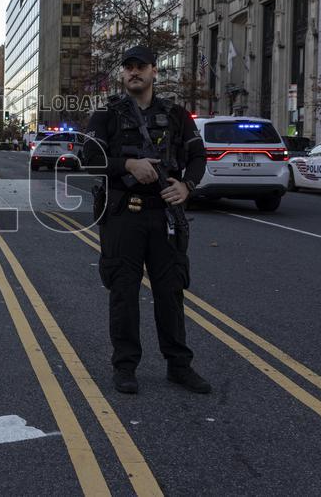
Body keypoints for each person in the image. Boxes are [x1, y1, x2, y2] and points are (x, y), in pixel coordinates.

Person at [81, 45, 211, 395]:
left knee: (171, 292)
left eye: (141, 67)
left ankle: (179, 366)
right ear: (122, 75)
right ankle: (125, 367)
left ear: (155, 71)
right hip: (124, 215)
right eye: (128, 68)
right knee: (123, 292)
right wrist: (127, 165)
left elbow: (198, 156)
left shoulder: (177, 115)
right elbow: (89, 158)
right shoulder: (106, 115)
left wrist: (187, 186)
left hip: (165, 215)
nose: (133, 72)